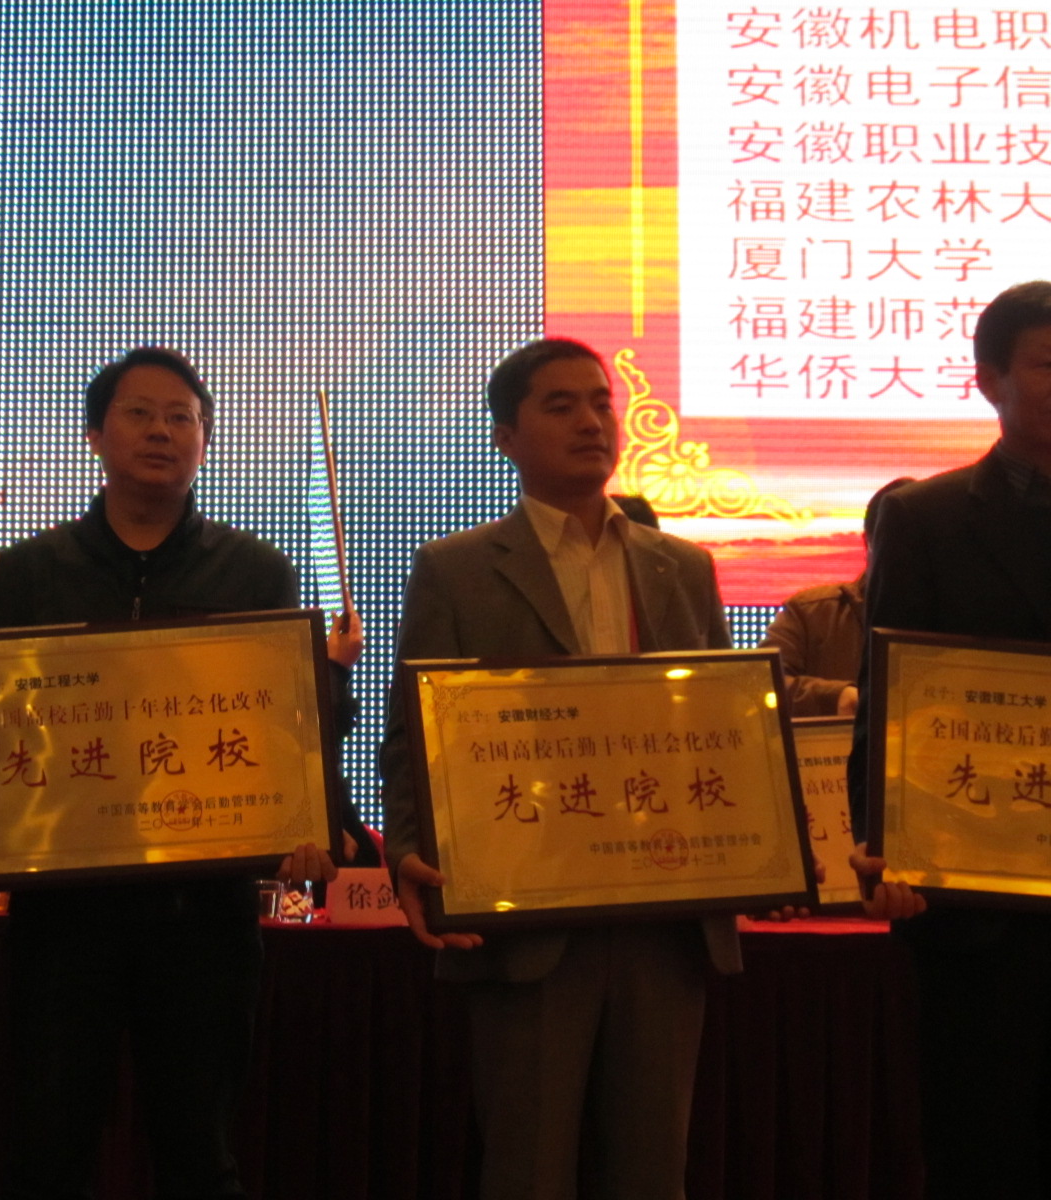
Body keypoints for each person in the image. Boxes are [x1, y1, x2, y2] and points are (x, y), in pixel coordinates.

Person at [0, 347, 333, 1199]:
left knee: (200, 1154)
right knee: (48, 1152)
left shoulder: (256, 571)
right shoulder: (33, 572)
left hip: (206, 919)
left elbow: (284, 729)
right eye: (139, 413)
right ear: (95, 435)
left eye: (181, 417)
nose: (161, 431)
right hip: (63, 920)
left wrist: (306, 821)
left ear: (205, 441)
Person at [380, 337, 739, 1200]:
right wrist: (408, 851)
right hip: (527, 917)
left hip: (664, 915)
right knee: (528, 1169)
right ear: (506, 438)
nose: (591, 421)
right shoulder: (455, 570)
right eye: (561, 405)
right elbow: (414, 738)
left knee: (654, 1171)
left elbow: (724, 730)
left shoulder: (683, 568)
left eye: (601, 401)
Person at [847, 281, 1051, 1197]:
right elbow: (889, 701)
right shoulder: (925, 519)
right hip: (976, 909)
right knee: (982, 1146)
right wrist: (884, 848)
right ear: (989, 381)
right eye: (1049, 364)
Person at [761, 477, 913, 718]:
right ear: (868, 543)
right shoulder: (809, 613)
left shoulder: (958, 615)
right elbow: (759, 685)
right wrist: (834, 697)